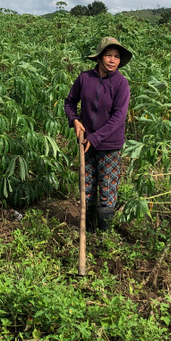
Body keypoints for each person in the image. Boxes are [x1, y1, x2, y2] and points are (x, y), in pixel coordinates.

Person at [64, 36, 132, 232]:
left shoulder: (121, 84)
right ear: (100, 57)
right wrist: (74, 120)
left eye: (116, 57)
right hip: (85, 143)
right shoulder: (85, 78)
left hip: (109, 146)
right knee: (86, 189)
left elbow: (118, 117)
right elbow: (70, 102)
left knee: (107, 191)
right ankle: (89, 230)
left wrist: (95, 138)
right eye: (108, 55)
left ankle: (104, 234)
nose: (112, 60)